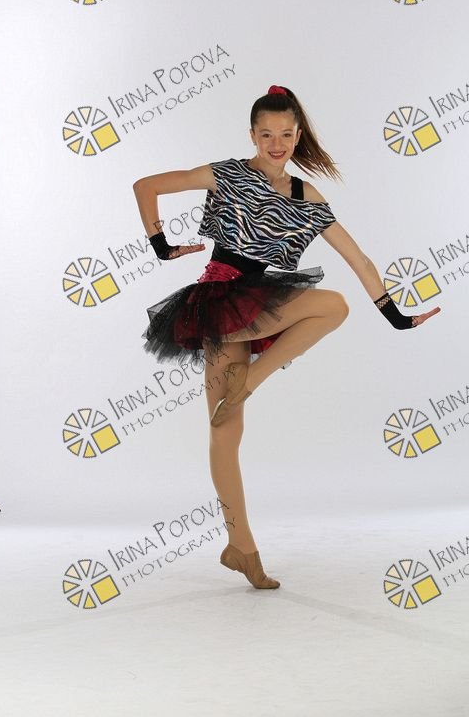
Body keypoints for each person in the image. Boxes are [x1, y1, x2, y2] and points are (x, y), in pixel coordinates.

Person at [133, 86, 440, 591]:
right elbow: (146, 186)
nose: (276, 144)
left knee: (332, 306)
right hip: (217, 297)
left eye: (286, 135)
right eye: (266, 135)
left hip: (256, 304)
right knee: (224, 432)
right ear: (252, 135)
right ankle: (242, 545)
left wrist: (397, 317)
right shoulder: (227, 173)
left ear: (298, 136)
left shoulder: (306, 197)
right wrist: (161, 245)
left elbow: (359, 259)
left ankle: (248, 391)